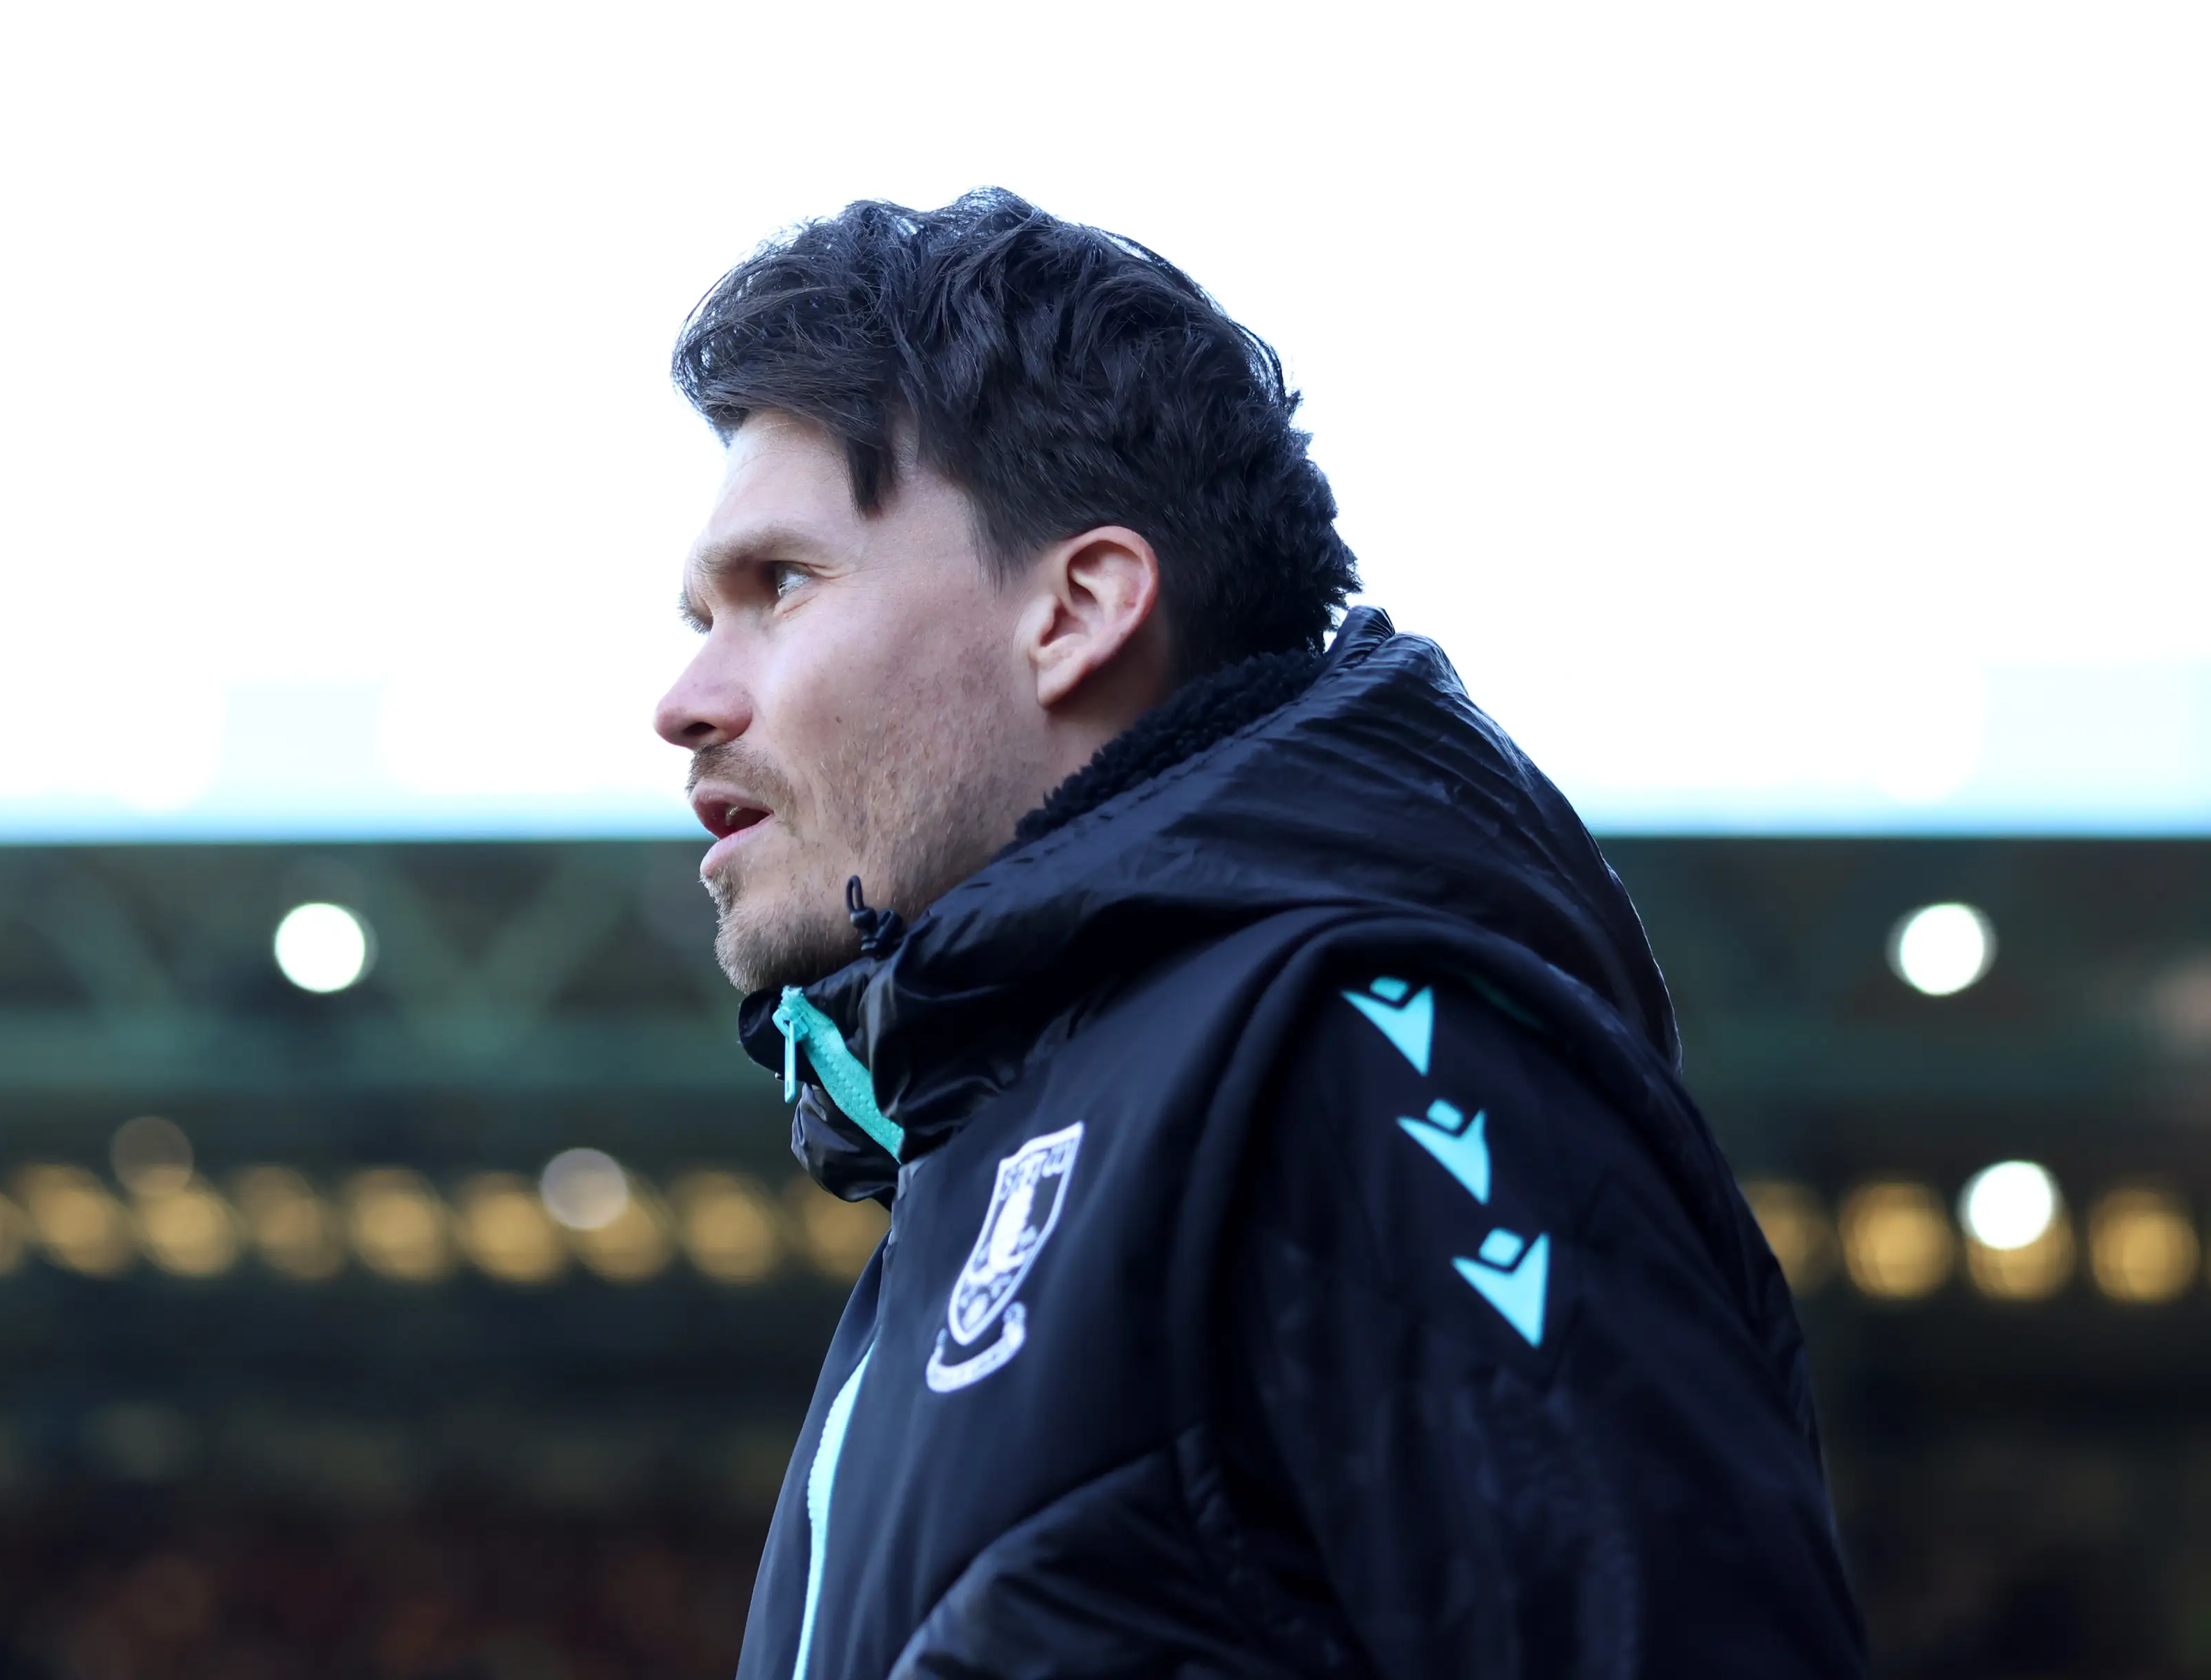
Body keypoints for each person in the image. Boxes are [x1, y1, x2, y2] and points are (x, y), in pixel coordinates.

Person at [654, 190, 1864, 1679]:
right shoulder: (968, 1162)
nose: (687, 698)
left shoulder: (1365, 1041)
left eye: (777, 585)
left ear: (1078, 609)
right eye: (696, 613)